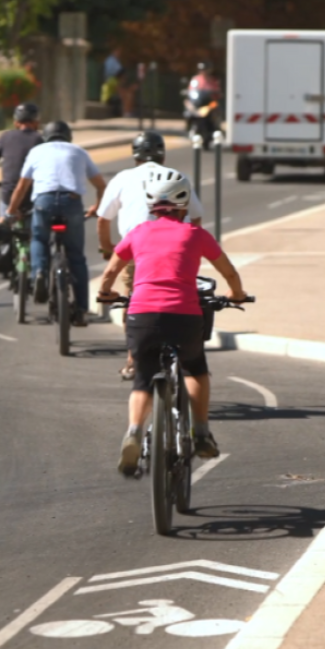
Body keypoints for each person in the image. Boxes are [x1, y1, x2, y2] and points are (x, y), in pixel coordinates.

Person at [97, 169, 247, 476]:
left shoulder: (137, 233)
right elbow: (229, 272)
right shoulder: (196, 234)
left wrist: (105, 293)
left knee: (142, 378)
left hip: (142, 316)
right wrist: (236, 294)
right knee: (195, 367)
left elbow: (110, 272)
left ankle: (134, 433)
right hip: (184, 316)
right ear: (184, 202)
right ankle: (201, 432)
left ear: (151, 203)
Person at [98, 131, 206, 380]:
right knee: (184, 294)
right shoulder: (177, 177)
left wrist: (107, 249)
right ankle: (184, 351)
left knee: (132, 300)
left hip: (136, 250)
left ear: (134, 154)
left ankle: (133, 360)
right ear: (163, 154)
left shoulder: (122, 178)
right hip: (177, 250)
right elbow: (197, 216)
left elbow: (103, 219)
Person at [6, 121, 108, 326]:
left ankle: (39, 272)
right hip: (72, 202)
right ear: (69, 137)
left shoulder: (36, 152)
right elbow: (101, 186)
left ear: (45, 136)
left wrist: (11, 212)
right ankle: (81, 310)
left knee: (39, 239)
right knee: (76, 257)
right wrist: (97, 208)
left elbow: (22, 187)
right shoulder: (79, 152)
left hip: (44, 202)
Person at [0, 102, 42, 218]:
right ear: (36, 122)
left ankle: (1, 228)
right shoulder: (40, 139)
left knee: (3, 222)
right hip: (33, 196)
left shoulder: (6, 137)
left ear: (16, 122)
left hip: (9, 195)